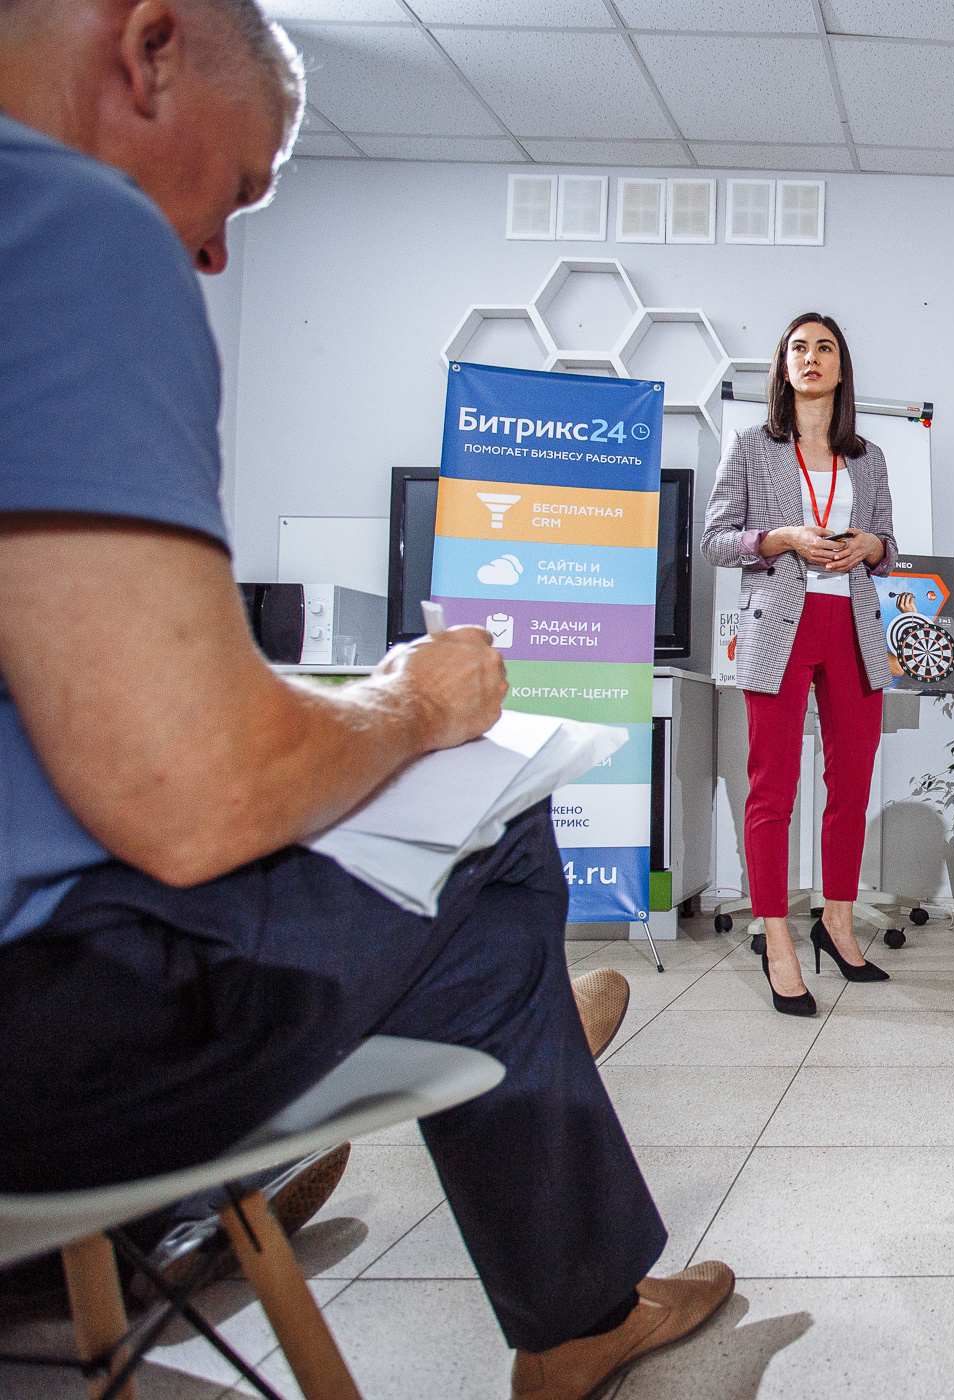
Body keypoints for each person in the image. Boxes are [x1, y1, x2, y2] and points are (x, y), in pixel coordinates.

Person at [0, 3, 731, 1395]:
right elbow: (192, 792)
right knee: (494, 831)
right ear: (149, 49)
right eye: (243, 187)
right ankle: (554, 1247)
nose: (216, 252)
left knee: (457, 906)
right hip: (54, 1041)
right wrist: (410, 704)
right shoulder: (70, 227)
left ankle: (481, 1038)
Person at [703, 312, 899, 1013]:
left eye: (825, 348)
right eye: (798, 348)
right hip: (779, 628)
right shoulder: (752, 447)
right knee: (773, 788)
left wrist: (872, 547)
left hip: (853, 627)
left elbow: (891, 549)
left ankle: (837, 924)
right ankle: (778, 937)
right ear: (783, 368)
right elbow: (716, 540)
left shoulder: (869, 457)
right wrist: (781, 536)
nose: (811, 357)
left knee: (851, 784)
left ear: (841, 368)